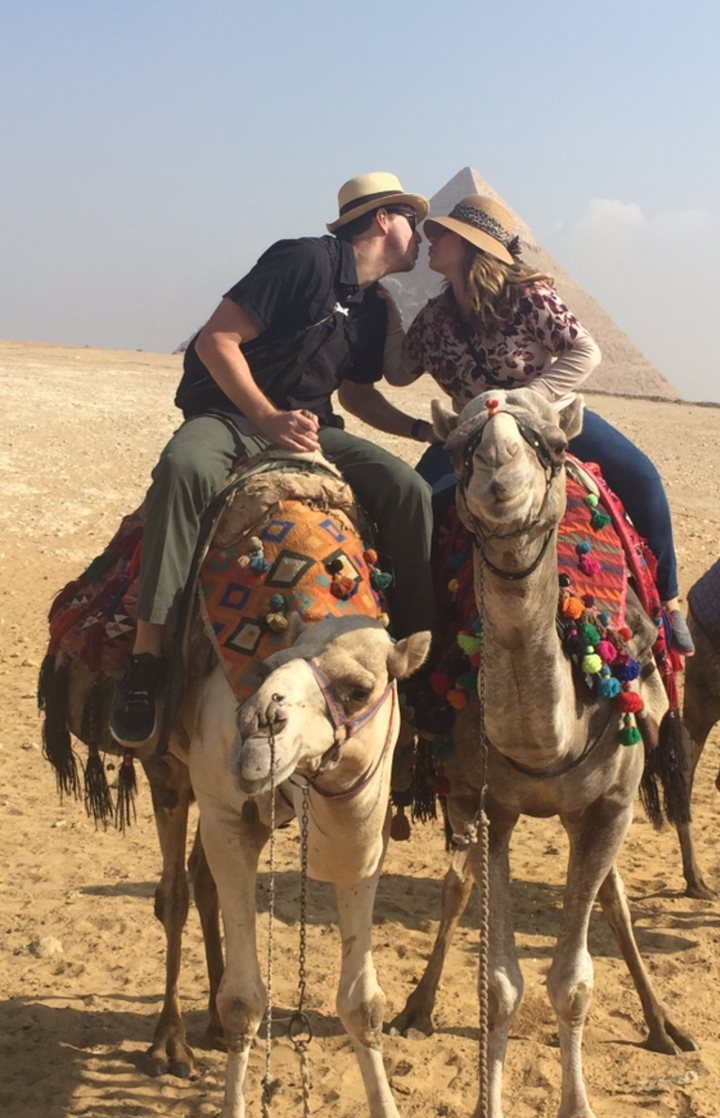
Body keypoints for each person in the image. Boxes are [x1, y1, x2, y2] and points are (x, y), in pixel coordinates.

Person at [110, 173, 437, 746]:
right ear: (382, 219)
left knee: (407, 489)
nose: (423, 236)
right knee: (185, 468)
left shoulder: (372, 307)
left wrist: (420, 430)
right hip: (232, 419)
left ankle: (414, 664)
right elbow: (215, 340)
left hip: (311, 429)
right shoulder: (303, 261)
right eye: (414, 220)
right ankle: (147, 657)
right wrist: (267, 418)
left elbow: (357, 397)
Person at [381, 193, 695, 656]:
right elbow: (397, 372)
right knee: (419, 507)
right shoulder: (434, 319)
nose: (432, 238)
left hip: (546, 421)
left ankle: (667, 602)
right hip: (474, 433)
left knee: (643, 478)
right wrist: (389, 313)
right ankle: (414, 624)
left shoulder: (527, 298)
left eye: (443, 233)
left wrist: (527, 401)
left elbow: (586, 351)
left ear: (470, 245)